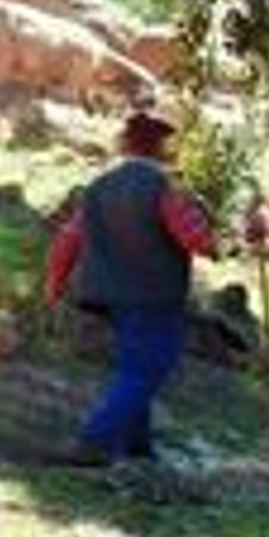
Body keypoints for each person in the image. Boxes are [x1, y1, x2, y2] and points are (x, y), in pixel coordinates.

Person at [45, 110, 217, 466]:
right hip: (154, 295)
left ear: (126, 144)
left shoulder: (98, 187)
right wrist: (219, 246)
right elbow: (194, 237)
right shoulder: (163, 187)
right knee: (148, 369)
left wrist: (55, 285)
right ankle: (94, 441)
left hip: (108, 296)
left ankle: (138, 446)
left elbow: (68, 239)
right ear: (162, 148)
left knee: (133, 366)